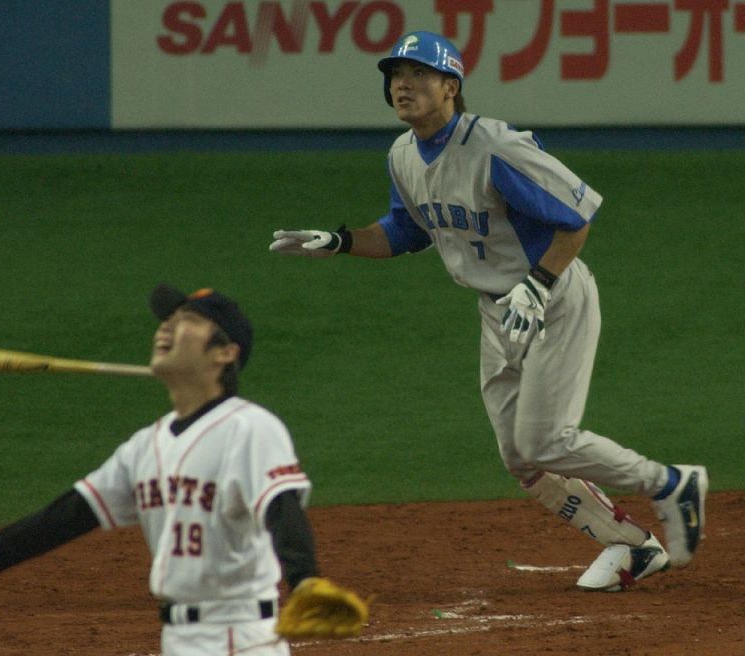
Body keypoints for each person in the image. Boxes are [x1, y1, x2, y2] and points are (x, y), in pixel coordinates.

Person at [269, 31, 708, 591]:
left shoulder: (495, 147)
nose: (403, 85)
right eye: (395, 77)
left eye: (418, 75)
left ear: (451, 86)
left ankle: (671, 483)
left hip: (554, 300)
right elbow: (406, 231)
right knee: (521, 458)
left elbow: (578, 217)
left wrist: (538, 283)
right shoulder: (403, 154)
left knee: (546, 440)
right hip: (496, 312)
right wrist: (338, 240)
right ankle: (631, 548)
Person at [0, 283, 332, 654]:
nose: (166, 326)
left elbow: (281, 507)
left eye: (188, 320)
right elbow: (67, 516)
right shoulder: (145, 446)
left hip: (237, 638)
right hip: (179, 639)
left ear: (225, 353)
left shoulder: (249, 428)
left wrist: (305, 581)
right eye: (168, 319)